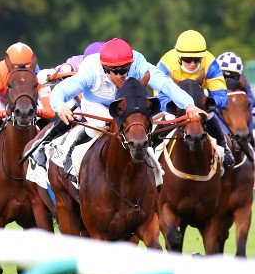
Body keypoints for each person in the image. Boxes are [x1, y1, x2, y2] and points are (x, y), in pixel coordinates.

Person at [41, 37, 206, 174]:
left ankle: (155, 172)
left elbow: (164, 84)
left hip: (126, 105)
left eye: (125, 69)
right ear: (104, 68)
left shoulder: (137, 62)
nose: (122, 75)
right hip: (96, 105)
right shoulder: (90, 71)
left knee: (140, 127)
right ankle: (72, 153)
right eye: (116, 71)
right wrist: (60, 106)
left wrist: (188, 104)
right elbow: (62, 90)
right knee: (104, 124)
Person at [0, 42, 54, 168]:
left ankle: (52, 153)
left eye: (26, 66)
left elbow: (50, 111)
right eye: (16, 67)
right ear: (8, 65)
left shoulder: (38, 73)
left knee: (46, 123)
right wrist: (4, 113)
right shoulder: (0, 70)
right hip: (4, 102)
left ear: (32, 64)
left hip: (29, 104)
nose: (21, 70)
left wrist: (38, 112)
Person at [157, 30, 234, 166]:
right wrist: (170, 106)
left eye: (197, 60)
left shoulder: (210, 63)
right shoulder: (166, 64)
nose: (192, 64)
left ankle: (224, 146)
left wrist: (212, 102)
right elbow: (160, 95)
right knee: (168, 116)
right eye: (187, 60)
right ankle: (151, 146)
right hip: (176, 101)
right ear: (179, 57)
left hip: (199, 99)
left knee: (210, 115)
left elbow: (221, 95)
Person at [216, 51, 255, 138]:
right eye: (224, 76)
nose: (228, 80)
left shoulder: (243, 80)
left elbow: (251, 100)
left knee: (248, 106)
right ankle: (225, 137)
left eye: (233, 76)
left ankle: (251, 137)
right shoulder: (211, 79)